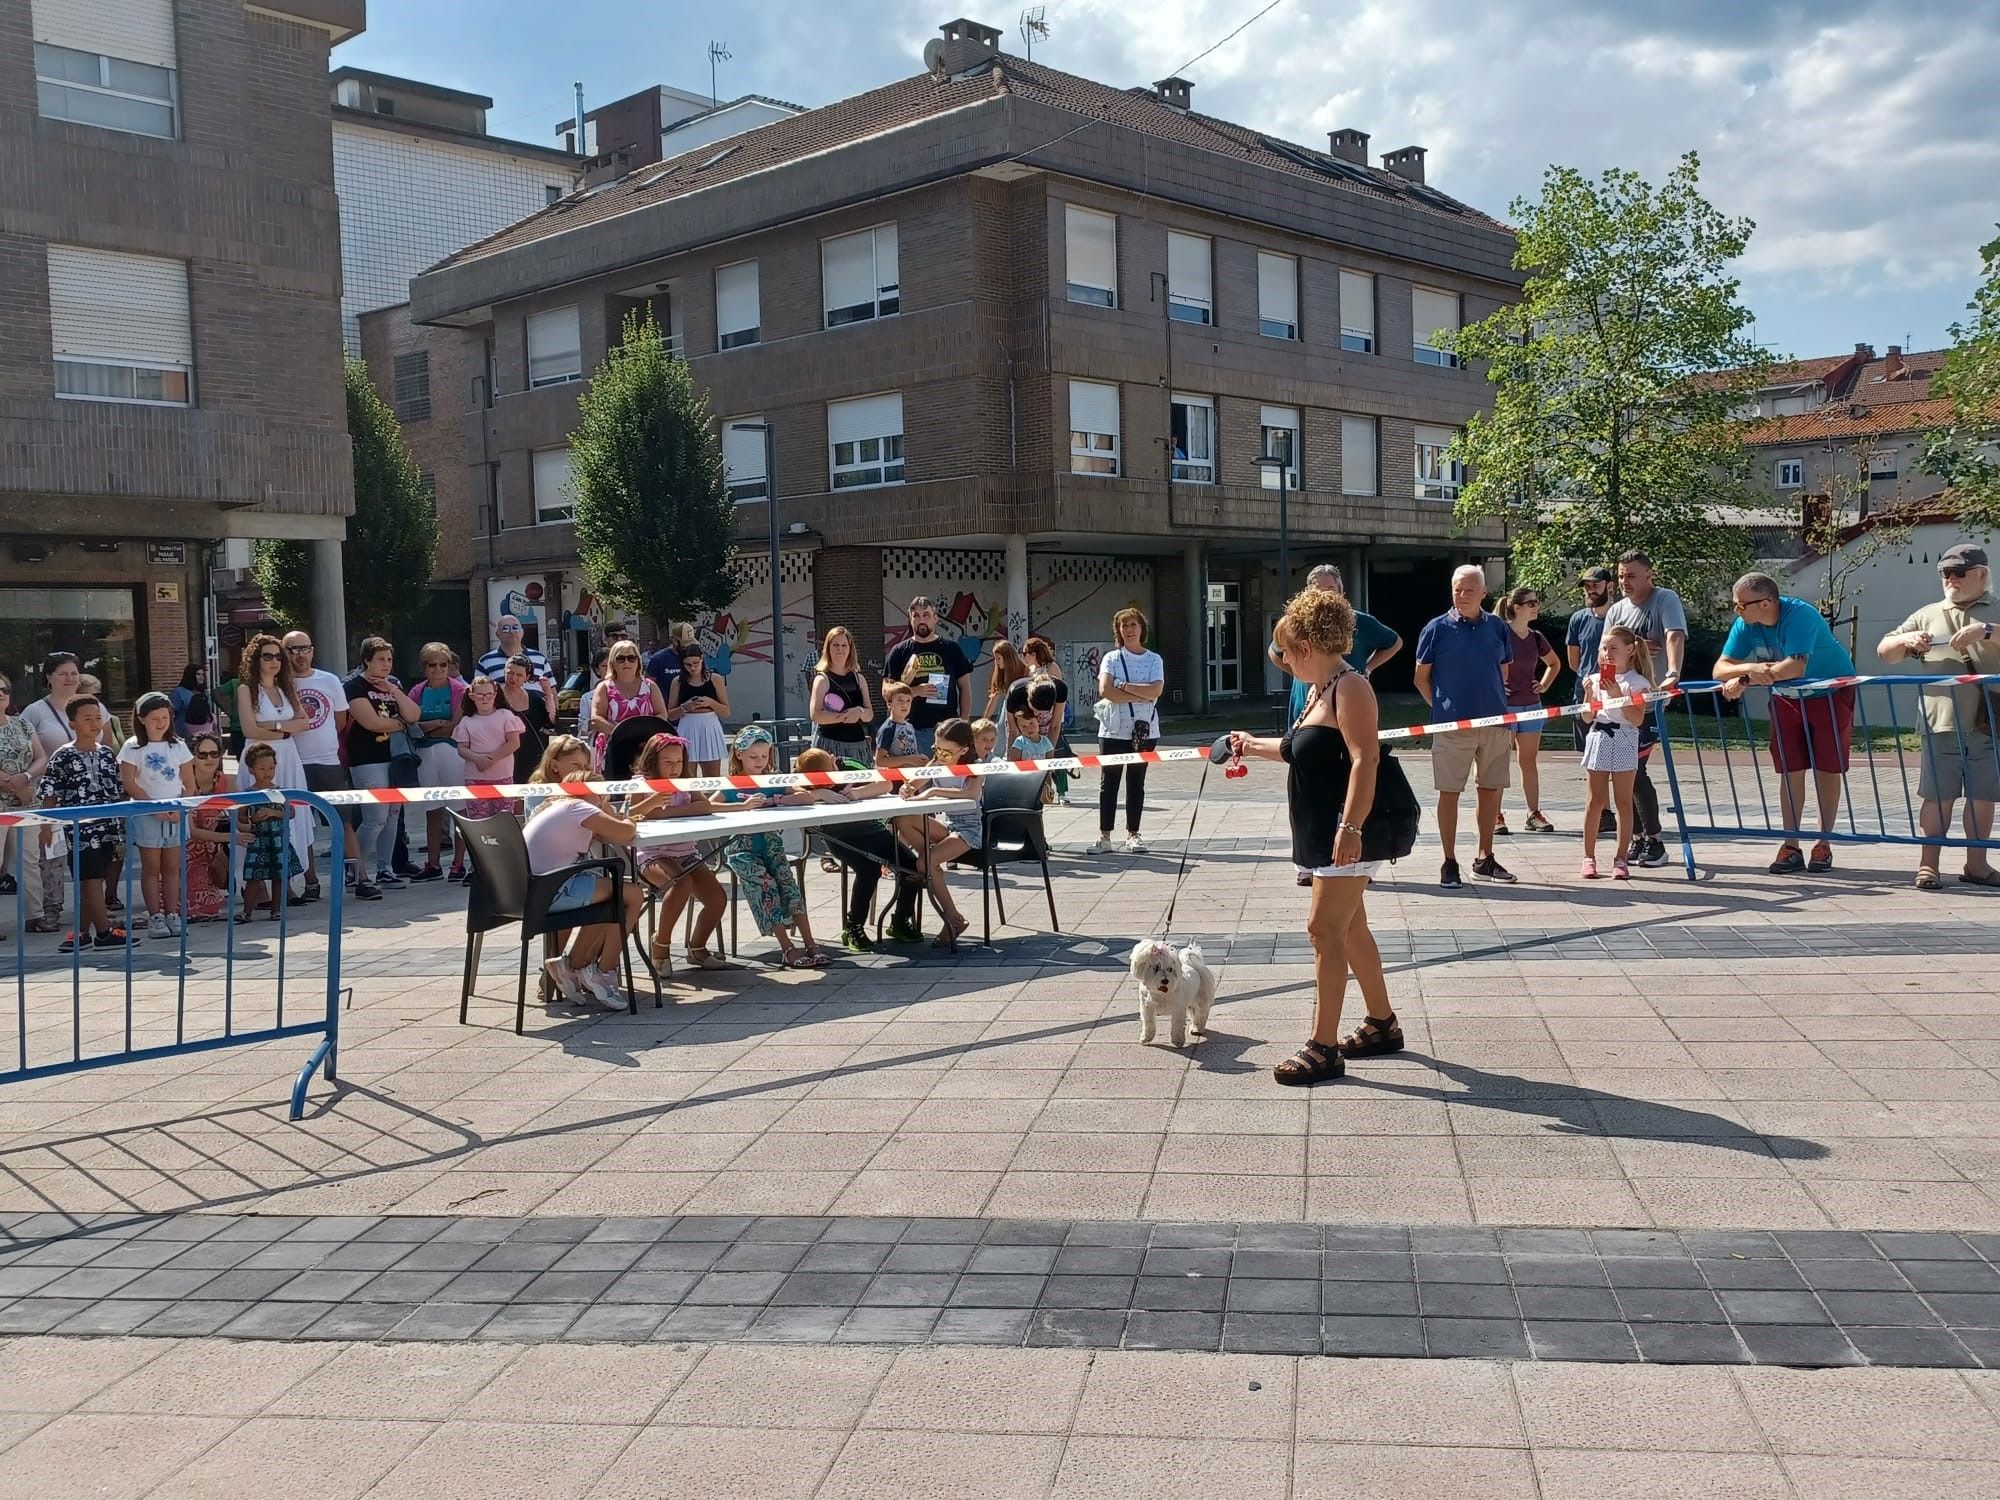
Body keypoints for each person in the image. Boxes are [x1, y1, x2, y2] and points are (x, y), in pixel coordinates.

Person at [1227, 588, 1401, 1086]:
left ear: (1307, 645)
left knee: (1323, 932)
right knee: (1349, 928)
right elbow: (1298, 750)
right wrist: (1247, 745)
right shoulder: (1318, 690)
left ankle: (1323, 1046)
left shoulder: (1351, 688)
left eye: (1286, 650)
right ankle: (1382, 1024)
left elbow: (1365, 758)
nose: (1283, 661)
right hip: (1323, 829)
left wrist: (1351, 827)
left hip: (1343, 831)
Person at [1715, 571, 1859, 875]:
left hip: (1830, 693)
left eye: (1741, 605)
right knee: (1789, 768)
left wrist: (1743, 677)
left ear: (1766, 602)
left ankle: (1824, 842)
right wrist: (1753, 668)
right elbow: (1719, 669)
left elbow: (1794, 666)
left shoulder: (1800, 615)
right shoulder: (1745, 624)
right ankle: (1791, 844)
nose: (1736, 611)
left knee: (1827, 768)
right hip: (1786, 697)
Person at [1878, 543, 2000, 891]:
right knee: (1937, 795)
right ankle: (1927, 866)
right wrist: (1907, 639)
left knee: (1983, 796)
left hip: (1988, 720)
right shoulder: (1927, 613)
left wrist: (1986, 630)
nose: (1950, 579)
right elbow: (1885, 653)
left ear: (1981, 574)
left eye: (1958, 573)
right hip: (1939, 720)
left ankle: (1977, 864)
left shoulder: (1996, 610)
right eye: (1945, 573)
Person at [1413, 565, 1516, 888]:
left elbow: (1504, 671)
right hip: (1451, 726)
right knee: (1450, 792)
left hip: (1495, 723)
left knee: (1490, 791)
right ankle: (1449, 861)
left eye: (1470, 589)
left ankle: (1485, 857)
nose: (1463, 595)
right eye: (1458, 589)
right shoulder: (1436, 629)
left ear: (1485, 592)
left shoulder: (1498, 627)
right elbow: (1421, 678)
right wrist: (1442, 708)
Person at [522, 734, 642, 1010]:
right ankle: (600, 970)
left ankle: (576, 965)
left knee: (617, 898)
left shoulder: (555, 804)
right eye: (598, 791)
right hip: (553, 889)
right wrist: (605, 809)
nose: (601, 796)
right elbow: (625, 832)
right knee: (633, 895)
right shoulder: (578, 807)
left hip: (535, 888)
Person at [791, 746, 927, 951]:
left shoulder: (847, 764)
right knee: (868, 869)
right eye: (827, 777)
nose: (835, 771)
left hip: (873, 830)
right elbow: (791, 791)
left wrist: (857, 792)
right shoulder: (802, 776)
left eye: (833, 766)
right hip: (839, 837)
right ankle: (853, 926)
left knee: (913, 868)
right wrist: (818, 793)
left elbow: (886, 783)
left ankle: (900, 921)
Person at [712, 725, 826, 966]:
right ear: (739, 754)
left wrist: (775, 800)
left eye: (764, 756)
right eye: (753, 756)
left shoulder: (772, 779)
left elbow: (806, 796)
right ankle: (787, 947)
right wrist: (740, 807)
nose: (760, 762)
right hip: (741, 849)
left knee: (788, 883)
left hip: (771, 845)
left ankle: (810, 944)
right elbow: (710, 806)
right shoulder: (731, 784)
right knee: (767, 885)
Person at [1605, 551, 1686, 867]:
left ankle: (1654, 840)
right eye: (1621, 575)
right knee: (1621, 773)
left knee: (1636, 770)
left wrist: (1673, 673)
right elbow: (1607, 650)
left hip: (1647, 701)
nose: (1625, 581)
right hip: (1616, 705)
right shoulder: (1616, 610)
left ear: (1649, 575)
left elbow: (1674, 635)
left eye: (1631, 576)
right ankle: (1637, 838)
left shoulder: (1665, 600)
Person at [624, 732, 729, 975]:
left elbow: (705, 805)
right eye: (668, 763)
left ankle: (698, 947)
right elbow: (630, 813)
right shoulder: (641, 782)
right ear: (653, 761)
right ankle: (661, 946)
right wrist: (653, 805)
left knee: (717, 898)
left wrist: (664, 812)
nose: (674, 768)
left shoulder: (685, 781)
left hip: (685, 852)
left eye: (679, 762)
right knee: (681, 883)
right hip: (651, 854)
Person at [39, 695, 126, 953]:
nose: (94, 723)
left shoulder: (108, 754)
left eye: (98, 718)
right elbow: (49, 792)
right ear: (73, 723)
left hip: (107, 827)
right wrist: (47, 826)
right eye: (87, 718)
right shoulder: (63, 755)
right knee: (89, 879)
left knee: (96, 881)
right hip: (79, 830)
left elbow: (117, 790)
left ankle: (79, 934)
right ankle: (102, 932)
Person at [1269, 565, 1402, 725]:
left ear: (1341, 591)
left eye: (1330, 588)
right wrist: (1300, 672)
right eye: (1318, 589)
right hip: (1305, 702)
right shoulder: (1298, 623)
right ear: (1308, 592)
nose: (1325, 594)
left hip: (1344, 701)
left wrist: (1368, 668)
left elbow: (1394, 642)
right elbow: (1275, 651)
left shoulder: (1357, 620)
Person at [341, 636, 422, 901]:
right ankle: (356, 870)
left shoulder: (393, 684)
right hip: (367, 757)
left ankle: (384, 868)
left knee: (393, 814)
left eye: (389, 659)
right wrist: (400, 724)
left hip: (396, 757)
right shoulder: (354, 686)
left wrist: (394, 691)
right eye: (380, 659)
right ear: (366, 660)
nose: (386, 664)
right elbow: (372, 723)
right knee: (374, 817)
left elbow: (413, 715)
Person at [233, 633, 312, 890]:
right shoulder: (247, 689)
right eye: (268, 656)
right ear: (256, 659)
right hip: (258, 757)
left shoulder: (286, 687)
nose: (274, 661)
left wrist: (276, 726)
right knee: (261, 821)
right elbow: (250, 729)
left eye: (278, 656)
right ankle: (260, 889)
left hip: (288, 757)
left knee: (292, 817)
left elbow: (304, 722)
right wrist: (286, 729)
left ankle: (288, 882)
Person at [282, 631, 356, 901]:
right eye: (292, 649)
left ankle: (359, 877)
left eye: (304, 648)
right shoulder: (281, 683)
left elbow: (340, 721)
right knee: (302, 826)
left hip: (328, 760)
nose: (299, 655)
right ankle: (310, 881)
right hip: (294, 762)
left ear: (313, 651)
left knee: (343, 820)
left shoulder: (329, 680)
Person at [892, 716, 979, 946]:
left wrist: (935, 792)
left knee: (923, 864)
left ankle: (953, 917)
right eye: (937, 749)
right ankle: (931, 862)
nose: (941, 755)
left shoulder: (974, 767)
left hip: (970, 830)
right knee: (904, 818)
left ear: (963, 750)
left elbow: (972, 795)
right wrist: (907, 788)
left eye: (947, 752)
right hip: (950, 827)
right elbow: (913, 784)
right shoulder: (936, 764)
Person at [1578, 626, 1655, 881]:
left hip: (1624, 737)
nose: (1607, 654)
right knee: (1595, 801)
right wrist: (1589, 693)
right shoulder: (1595, 678)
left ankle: (1621, 857)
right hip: (1600, 735)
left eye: (1614, 649)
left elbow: (1636, 719)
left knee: (1624, 801)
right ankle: (1588, 857)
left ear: (1630, 650)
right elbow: (1587, 717)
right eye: (1604, 648)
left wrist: (1618, 695)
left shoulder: (1637, 683)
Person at [116, 691, 194, 939]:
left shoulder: (178, 745)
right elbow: (129, 782)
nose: (161, 723)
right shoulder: (132, 747)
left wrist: (180, 808)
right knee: (151, 867)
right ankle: (155, 915)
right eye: (154, 718)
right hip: (146, 813)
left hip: (174, 813)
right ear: (141, 719)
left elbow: (189, 782)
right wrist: (152, 807)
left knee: (172, 866)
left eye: (165, 717)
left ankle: (172, 912)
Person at [18, 653, 82, 933]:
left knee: (89, 852)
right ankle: (50, 909)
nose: (70, 679)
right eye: (63, 674)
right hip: (50, 793)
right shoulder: (34, 712)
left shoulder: (91, 706)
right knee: (49, 855)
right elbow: (25, 751)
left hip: (85, 793)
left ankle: (95, 905)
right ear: (49, 677)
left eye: (74, 673)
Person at [1093, 606, 1163, 854]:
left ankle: (1134, 833)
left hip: (1144, 730)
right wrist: (1138, 693)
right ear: (1118, 631)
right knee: (1108, 783)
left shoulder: (1154, 659)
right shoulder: (1111, 658)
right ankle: (1105, 836)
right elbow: (1106, 691)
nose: (1129, 630)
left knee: (1136, 782)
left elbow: (1156, 691)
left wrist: (1124, 686)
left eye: (1133, 625)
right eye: (1124, 626)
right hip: (1113, 730)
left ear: (1142, 629)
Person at [1497, 586, 1561, 835]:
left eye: (1537, 602)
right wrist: (1494, 685)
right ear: (1517, 608)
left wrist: (1543, 684)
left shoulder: (1536, 636)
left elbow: (1554, 663)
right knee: (1499, 762)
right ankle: (1495, 814)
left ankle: (1533, 813)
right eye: (1532, 603)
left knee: (1528, 761)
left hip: (1531, 706)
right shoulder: (1501, 633)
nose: (1537, 606)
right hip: (1505, 707)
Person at [408, 644, 469, 881]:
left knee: (459, 808)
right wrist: (436, 725)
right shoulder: (417, 691)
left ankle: (458, 863)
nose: (438, 669)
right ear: (424, 667)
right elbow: (412, 724)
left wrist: (430, 726)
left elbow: (455, 724)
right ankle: (433, 864)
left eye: (443, 664)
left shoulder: (460, 690)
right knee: (431, 810)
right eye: (432, 665)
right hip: (424, 754)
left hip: (452, 752)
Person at [881, 596, 972, 752]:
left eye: (926, 615)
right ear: (910, 619)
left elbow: (965, 689)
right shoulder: (899, 651)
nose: (921, 620)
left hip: (947, 729)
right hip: (909, 730)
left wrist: (963, 722)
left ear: (935, 618)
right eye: (916, 615)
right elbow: (886, 691)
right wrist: (915, 691)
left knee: (948, 776)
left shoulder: (951, 649)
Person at [1566, 566, 1618, 834]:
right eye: (1586, 585)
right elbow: (1574, 660)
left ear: (1608, 586)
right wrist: (1590, 684)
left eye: (1595, 584)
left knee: (1620, 757)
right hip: (1585, 695)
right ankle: (1603, 811)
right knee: (1591, 756)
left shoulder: (1620, 616)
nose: (1590, 590)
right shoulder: (1577, 619)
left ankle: (1626, 811)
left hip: (1616, 695)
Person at [0, 668, 50, 925]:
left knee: (29, 858)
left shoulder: (21, 723)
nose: (0, 694)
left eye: (4, 690)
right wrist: (13, 785)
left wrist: (27, 779)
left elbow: (41, 756)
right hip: (3, 802)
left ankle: (36, 915)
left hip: (28, 800)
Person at [452, 676, 524, 839]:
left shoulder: (506, 715)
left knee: (503, 822)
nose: (485, 698)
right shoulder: (466, 721)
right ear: (471, 696)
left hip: (503, 777)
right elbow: (462, 748)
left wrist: (490, 759)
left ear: (495, 694)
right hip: (475, 779)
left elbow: (513, 743)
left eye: (489, 694)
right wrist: (477, 759)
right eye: (480, 695)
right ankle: (480, 860)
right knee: (479, 823)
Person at [181, 732, 239, 923]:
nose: (209, 759)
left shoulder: (227, 782)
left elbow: (239, 822)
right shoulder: (183, 784)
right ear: (193, 756)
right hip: (185, 849)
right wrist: (231, 839)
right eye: (203, 754)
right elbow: (191, 832)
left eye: (214, 754)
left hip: (215, 848)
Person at [237, 743, 300, 921]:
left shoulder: (280, 792)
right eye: (262, 768)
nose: (267, 772)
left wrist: (274, 812)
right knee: (253, 877)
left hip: (278, 840)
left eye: (271, 767)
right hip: (258, 841)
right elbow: (241, 818)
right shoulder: (248, 794)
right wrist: (252, 820)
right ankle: (247, 911)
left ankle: (276, 910)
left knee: (279, 876)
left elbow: (291, 812)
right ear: (251, 770)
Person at [588, 640, 667, 772]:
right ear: (612, 662)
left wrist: (643, 734)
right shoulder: (604, 687)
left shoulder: (650, 686)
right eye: (621, 658)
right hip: (614, 747)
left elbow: (662, 714)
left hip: (646, 747)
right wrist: (622, 733)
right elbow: (596, 719)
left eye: (631, 658)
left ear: (638, 661)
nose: (626, 662)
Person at [809, 626, 874, 762]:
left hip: (857, 744)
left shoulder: (859, 679)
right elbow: (816, 715)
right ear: (828, 648)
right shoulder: (822, 680)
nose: (840, 649)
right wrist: (844, 717)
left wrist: (859, 711)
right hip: (829, 744)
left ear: (850, 649)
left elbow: (869, 714)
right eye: (836, 645)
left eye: (844, 645)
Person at [1021, 637, 1073, 804]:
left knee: (1056, 753)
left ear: (1034, 653)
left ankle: (1062, 792)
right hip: (1035, 718)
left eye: (1025, 653)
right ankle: (1042, 790)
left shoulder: (1052, 668)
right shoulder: (1030, 669)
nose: (1023, 657)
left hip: (1052, 717)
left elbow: (1056, 694)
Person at [477, 614, 557, 724]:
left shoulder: (540, 658)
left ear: (522, 632)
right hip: (500, 721)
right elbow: (478, 693)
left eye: (515, 627)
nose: (511, 631)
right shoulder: (485, 661)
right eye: (505, 628)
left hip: (537, 719)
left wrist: (554, 722)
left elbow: (552, 691)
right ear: (497, 634)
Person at [665, 645, 729, 776]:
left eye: (695, 663)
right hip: (687, 726)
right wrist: (685, 707)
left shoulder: (715, 679)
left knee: (713, 777)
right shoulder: (677, 682)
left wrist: (710, 702)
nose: (692, 668)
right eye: (688, 665)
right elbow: (670, 715)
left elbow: (726, 711)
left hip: (709, 726)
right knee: (687, 775)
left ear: (702, 659)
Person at [499, 654, 554, 785]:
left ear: (527, 678)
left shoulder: (535, 698)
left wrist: (548, 694)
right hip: (505, 754)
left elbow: (550, 723)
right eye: (510, 673)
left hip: (532, 755)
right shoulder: (495, 697)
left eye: (519, 675)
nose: (514, 678)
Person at [874, 682, 925, 770]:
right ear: (889, 704)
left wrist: (919, 759)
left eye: (908, 700)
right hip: (897, 779)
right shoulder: (888, 729)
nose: (904, 705)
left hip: (911, 774)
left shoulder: (910, 726)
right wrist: (907, 760)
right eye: (900, 700)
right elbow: (880, 761)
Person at [168, 664, 224, 743]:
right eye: (198, 674)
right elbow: (170, 714)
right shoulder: (178, 692)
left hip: (205, 735)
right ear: (190, 675)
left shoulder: (204, 693)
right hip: (184, 734)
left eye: (202, 674)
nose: (202, 677)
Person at [644, 622, 697, 705]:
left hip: (691, 712)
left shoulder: (695, 657)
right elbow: (648, 686)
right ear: (675, 641)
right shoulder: (658, 659)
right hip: (667, 711)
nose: (688, 647)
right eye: (685, 644)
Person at [982, 640, 1029, 722]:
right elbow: (994, 697)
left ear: (1008, 657)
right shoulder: (1001, 672)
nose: (996, 662)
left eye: (998, 658)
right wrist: (984, 721)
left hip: (1026, 711)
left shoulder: (1026, 670)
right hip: (1009, 708)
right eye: (995, 658)